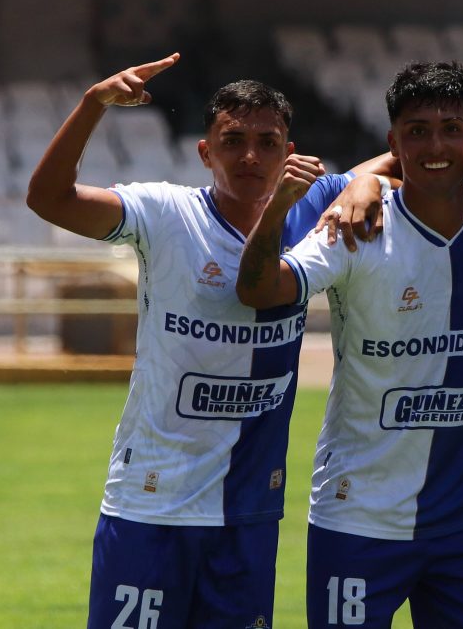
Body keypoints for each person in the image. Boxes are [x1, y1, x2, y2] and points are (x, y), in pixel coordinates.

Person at [26, 54, 353, 628]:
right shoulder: (164, 212)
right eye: (233, 140)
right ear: (206, 152)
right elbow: (49, 199)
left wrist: (368, 184)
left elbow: (403, 162)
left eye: (266, 142)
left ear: (289, 152)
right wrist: (93, 103)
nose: (250, 156)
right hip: (151, 501)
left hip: (247, 512)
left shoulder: (309, 213)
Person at [236, 60, 463, 628]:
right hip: (357, 515)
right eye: (418, 131)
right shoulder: (354, 226)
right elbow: (258, 289)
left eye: (452, 129)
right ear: (392, 142)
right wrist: (301, 198)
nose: (436, 145)